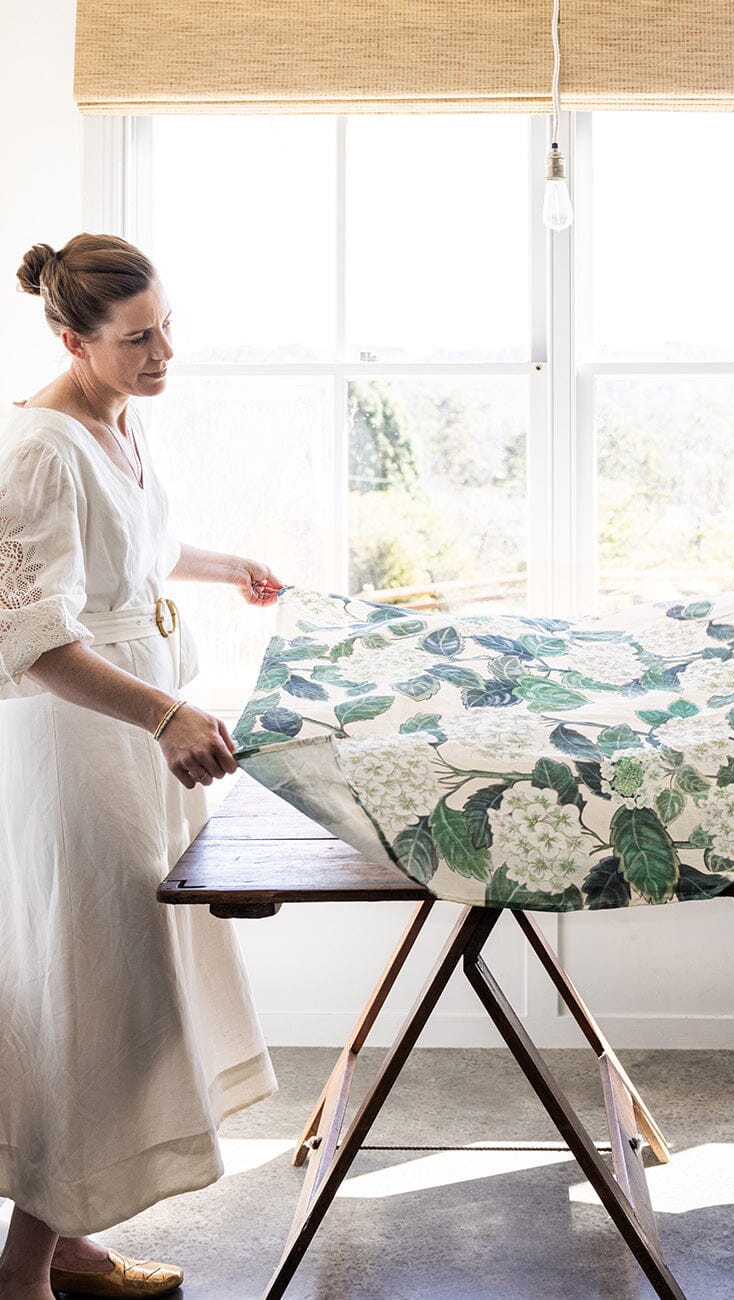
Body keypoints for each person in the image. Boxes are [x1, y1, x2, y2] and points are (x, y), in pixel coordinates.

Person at [0, 233, 284, 1298]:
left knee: (126, 996)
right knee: (97, 997)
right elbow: (28, 636)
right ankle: (22, 1269)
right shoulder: (35, 449)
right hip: (82, 753)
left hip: (140, 751)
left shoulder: (118, 420)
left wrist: (227, 564)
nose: (163, 352)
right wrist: (166, 712)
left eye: (168, 326)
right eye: (136, 339)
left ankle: (66, 1244)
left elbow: (135, 547)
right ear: (73, 339)